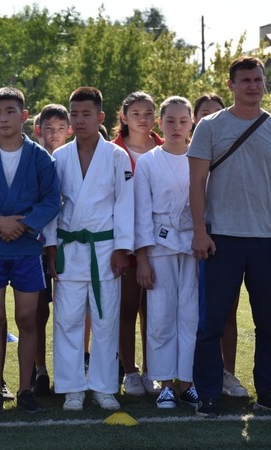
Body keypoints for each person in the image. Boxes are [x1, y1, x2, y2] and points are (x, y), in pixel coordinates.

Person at [188, 56, 271, 418]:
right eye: (246, 80)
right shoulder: (209, 126)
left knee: (270, 324)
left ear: (265, 83)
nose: (253, 85)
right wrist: (200, 231)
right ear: (231, 85)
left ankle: (269, 391)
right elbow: (196, 183)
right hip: (220, 237)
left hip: (266, 238)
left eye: (258, 79)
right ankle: (208, 395)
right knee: (211, 324)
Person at [0, 87, 59, 413]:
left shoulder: (41, 158)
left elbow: (51, 199)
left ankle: (26, 390)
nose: (3, 118)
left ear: (24, 115)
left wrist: (26, 224)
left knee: (27, 319)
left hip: (27, 247)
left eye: (10, 111)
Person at [45, 86, 133, 412]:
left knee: (105, 320)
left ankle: (104, 387)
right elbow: (52, 206)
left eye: (86, 114)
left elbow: (125, 203)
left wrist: (123, 248)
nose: (79, 120)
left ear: (100, 117)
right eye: (75, 114)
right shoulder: (59, 157)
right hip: (68, 247)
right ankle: (72, 388)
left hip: (104, 248)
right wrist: (50, 246)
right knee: (67, 320)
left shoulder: (117, 156)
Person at [134, 96, 199, 409]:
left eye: (183, 121)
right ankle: (165, 384)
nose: (176, 127)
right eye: (170, 121)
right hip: (159, 246)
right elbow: (140, 213)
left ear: (191, 124)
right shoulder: (148, 162)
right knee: (160, 316)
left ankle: (188, 382)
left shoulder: (200, 158)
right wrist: (142, 259)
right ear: (160, 123)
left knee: (190, 314)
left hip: (194, 246)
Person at [193, 93, 250, 399]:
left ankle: (227, 372)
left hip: (223, 238)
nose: (212, 119)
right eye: (205, 114)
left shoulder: (236, 150)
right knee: (184, 314)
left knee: (225, 312)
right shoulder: (180, 153)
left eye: (217, 113)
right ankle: (182, 376)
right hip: (183, 242)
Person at [111, 91, 164, 396]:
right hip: (126, 241)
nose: (143, 120)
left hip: (163, 242)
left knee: (154, 310)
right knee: (128, 306)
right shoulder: (113, 151)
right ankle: (129, 371)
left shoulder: (167, 147)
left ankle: (151, 370)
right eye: (136, 114)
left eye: (148, 114)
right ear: (124, 117)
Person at [30, 104, 72, 397]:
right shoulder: (33, 159)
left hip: (71, 245)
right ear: (38, 130)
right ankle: (40, 369)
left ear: (68, 131)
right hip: (38, 245)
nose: (54, 134)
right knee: (37, 311)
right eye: (49, 128)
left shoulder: (74, 158)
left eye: (60, 129)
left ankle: (72, 368)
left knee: (71, 311)